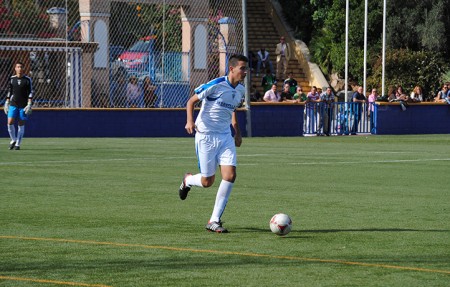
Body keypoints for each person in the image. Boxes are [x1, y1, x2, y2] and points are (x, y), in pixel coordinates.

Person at [178, 54, 248, 233]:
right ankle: (188, 180)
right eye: (242, 68)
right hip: (206, 135)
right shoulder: (216, 84)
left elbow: (232, 110)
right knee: (208, 181)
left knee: (230, 175)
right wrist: (189, 121)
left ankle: (214, 220)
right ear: (231, 69)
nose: (245, 72)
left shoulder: (240, 90)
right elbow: (191, 101)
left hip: (225, 136)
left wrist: (237, 132)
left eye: (246, 69)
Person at [4, 61, 34, 150]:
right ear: (15, 68)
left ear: (23, 68)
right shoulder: (12, 79)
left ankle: (18, 143)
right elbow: (10, 91)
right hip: (13, 104)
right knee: (10, 122)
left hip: (23, 105)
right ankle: (13, 139)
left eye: (21, 67)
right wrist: (7, 102)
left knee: (21, 123)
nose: (20, 69)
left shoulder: (27, 80)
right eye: (18, 67)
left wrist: (29, 104)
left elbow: (30, 92)